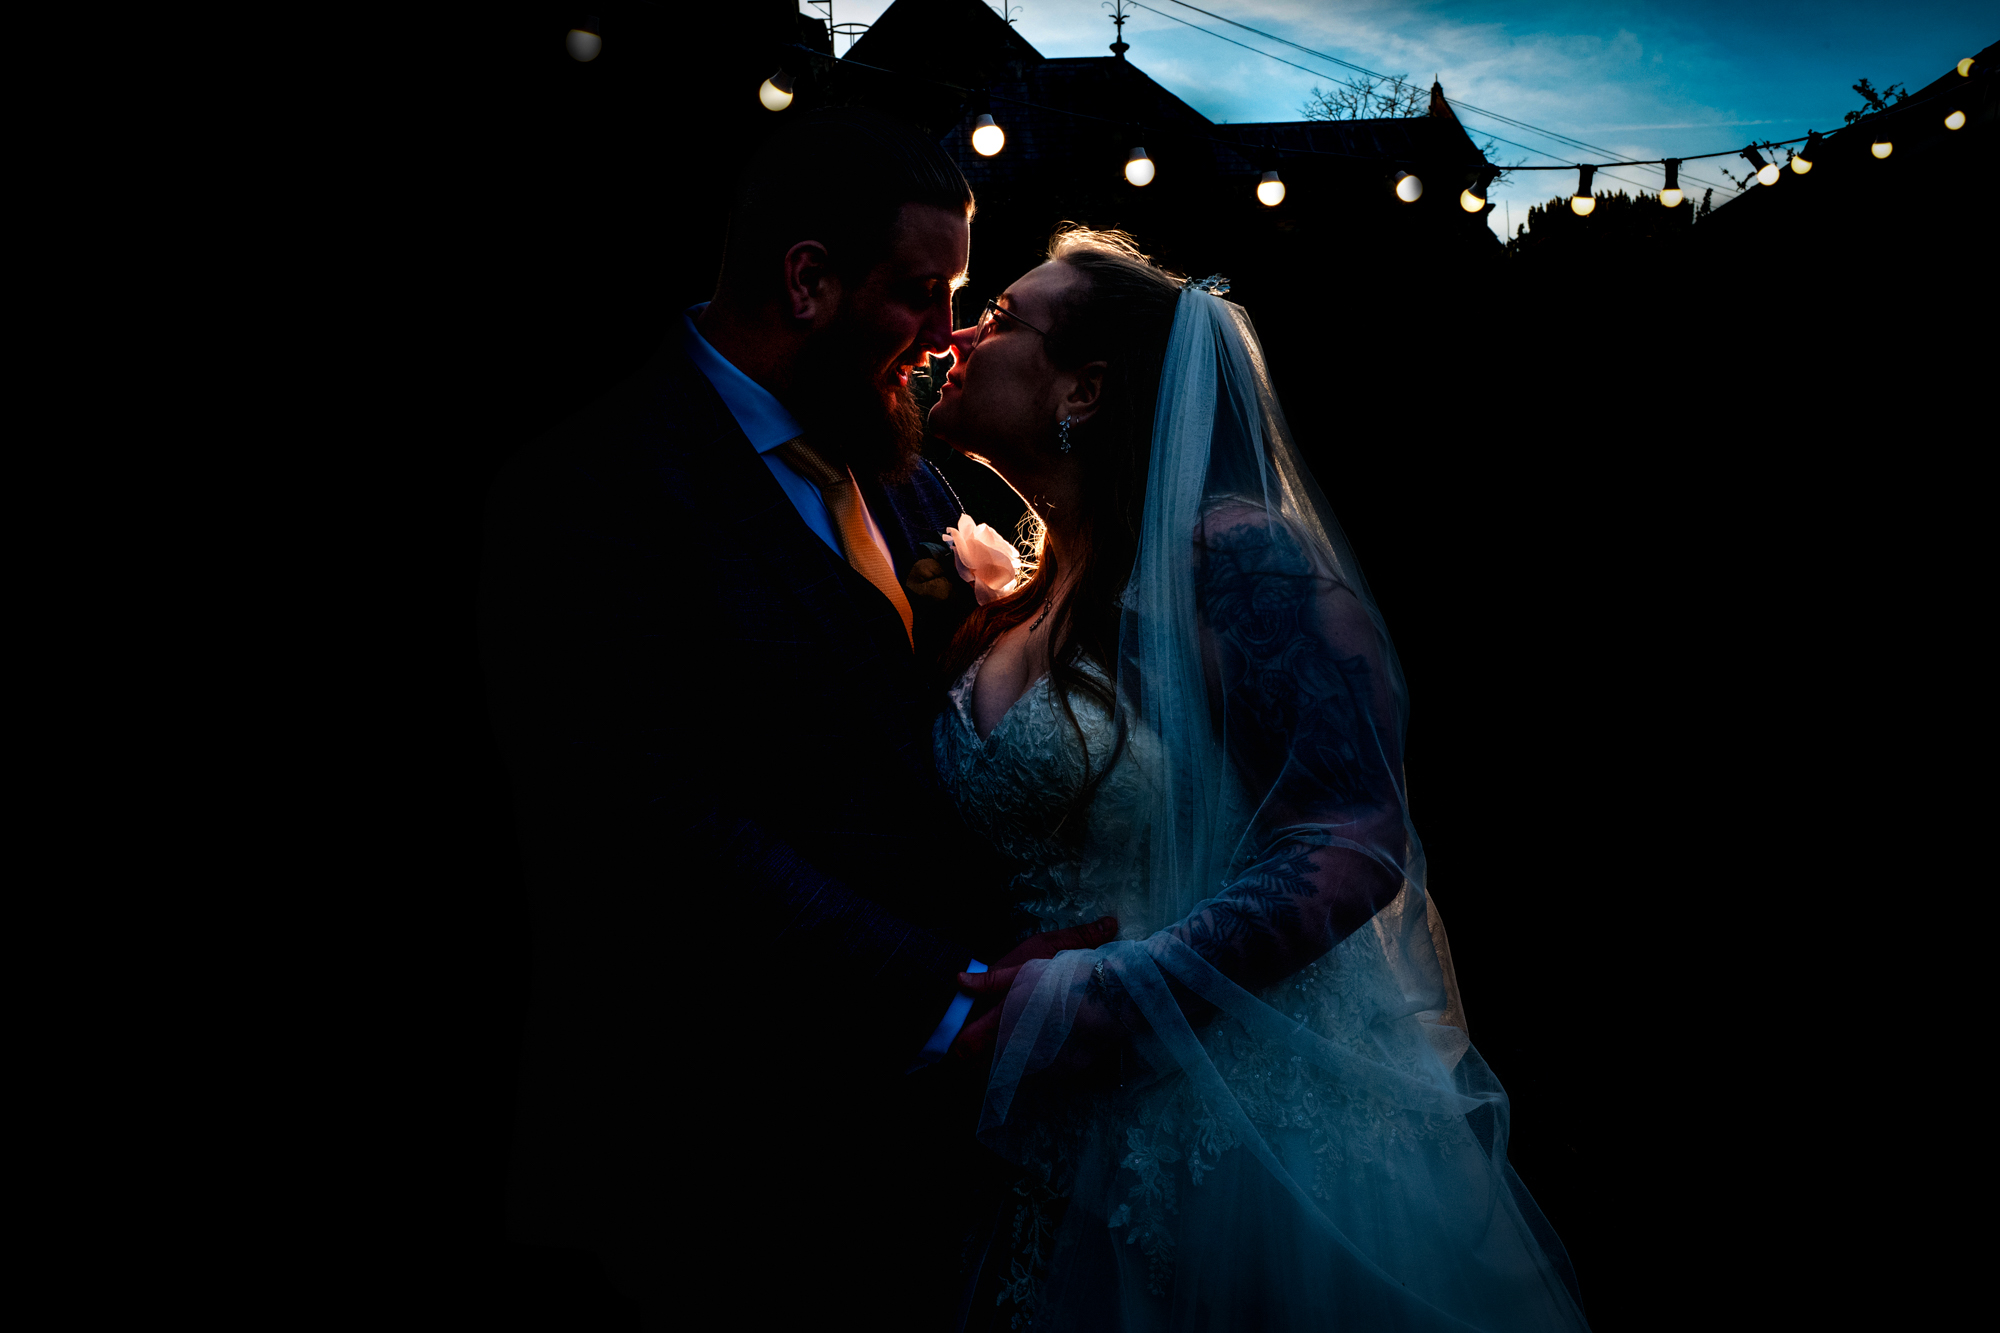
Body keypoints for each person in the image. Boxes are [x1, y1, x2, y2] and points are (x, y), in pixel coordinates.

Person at [480, 110, 1115, 1329]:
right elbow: (652, 821)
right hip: (710, 1160)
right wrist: (946, 996)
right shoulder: (598, 486)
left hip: (922, 1160)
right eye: (920, 294)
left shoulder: (896, 466)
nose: (946, 336)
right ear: (807, 279)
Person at [925, 227, 1592, 1332]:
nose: (956, 335)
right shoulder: (1026, 592)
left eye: (996, 317)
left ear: (1084, 388)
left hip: (1234, 1135)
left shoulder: (1232, 558)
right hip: (1043, 1128)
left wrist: (1120, 991)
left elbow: (1353, 835)